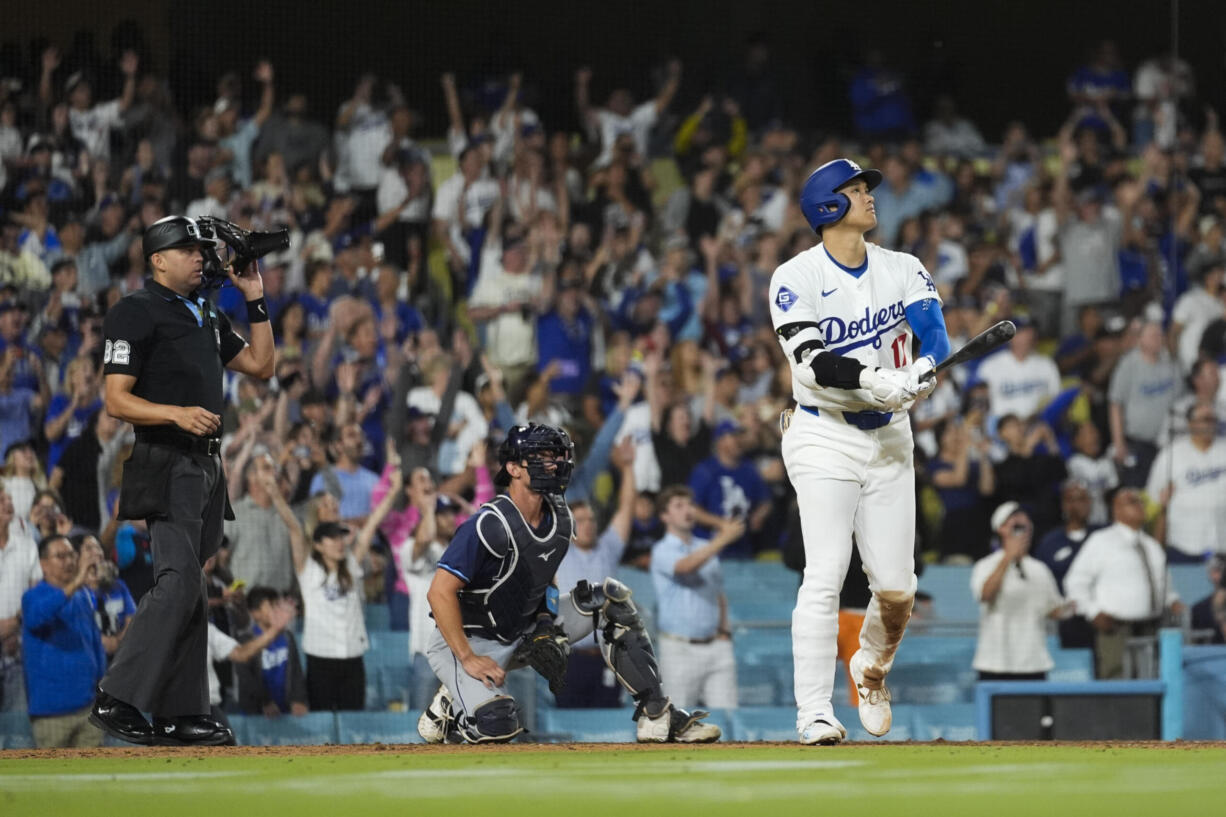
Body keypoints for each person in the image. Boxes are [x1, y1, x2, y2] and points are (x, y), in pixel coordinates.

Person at [769, 158, 951, 744]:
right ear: (828, 206)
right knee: (824, 573)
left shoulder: (903, 267)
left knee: (898, 589)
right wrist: (876, 379)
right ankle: (814, 713)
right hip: (824, 432)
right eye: (855, 188)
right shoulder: (793, 276)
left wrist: (920, 372)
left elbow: (937, 337)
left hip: (891, 434)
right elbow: (812, 361)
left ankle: (870, 668)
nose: (869, 195)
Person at [89, 214, 275, 747]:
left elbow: (263, 365)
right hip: (167, 457)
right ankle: (117, 695)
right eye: (188, 248)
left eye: (201, 249)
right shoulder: (135, 311)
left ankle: (181, 713)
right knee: (177, 581)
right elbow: (115, 398)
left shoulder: (207, 314)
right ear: (157, 259)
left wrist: (255, 296)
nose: (201, 256)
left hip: (207, 464)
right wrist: (176, 413)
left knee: (192, 585)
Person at [416, 423, 720, 744]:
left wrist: (546, 620)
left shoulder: (560, 517)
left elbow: (544, 576)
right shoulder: (490, 523)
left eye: (556, 456)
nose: (553, 464)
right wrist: (467, 657)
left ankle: (657, 713)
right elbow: (439, 593)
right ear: (513, 468)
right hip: (467, 641)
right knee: (497, 724)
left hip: (519, 630)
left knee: (608, 600)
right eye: (541, 457)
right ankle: (451, 709)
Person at [1064, 487, 1184, 679]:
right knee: (1118, 683)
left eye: (1140, 501)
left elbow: (1164, 585)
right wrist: (1092, 611)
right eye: (1132, 502)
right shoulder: (1102, 541)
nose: (1140, 506)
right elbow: (1075, 581)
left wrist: (1173, 601)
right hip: (1117, 629)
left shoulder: (1151, 545)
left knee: (1152, 679)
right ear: (1116, 510)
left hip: (1152, 627)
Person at [553, 438, 636, 707]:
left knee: (609, 720)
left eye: (591, 520)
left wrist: (627, 468)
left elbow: (626, 509)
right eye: (581, 521)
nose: (587, 525)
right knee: (568, 720)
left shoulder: (608, 547)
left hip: (608, 654)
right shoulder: (558, 551)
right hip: (570, 656)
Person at [650, 486, 742, 710]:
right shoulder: (661, 550)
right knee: (677, 716)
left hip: (715, 644)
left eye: (690, 504)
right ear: (664, 516)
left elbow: (718, 592)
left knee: (728, 715)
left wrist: (724, 631)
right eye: (678, 506)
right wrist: (722, 539)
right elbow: (685, 567)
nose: (687, 510)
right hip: (678, 646)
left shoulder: (704, 547)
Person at [21, 534, 105, 748]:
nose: (69, 561)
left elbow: (94, 643)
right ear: (44, 564)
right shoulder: (33, 597)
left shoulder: (83, 595)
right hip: (52, 715)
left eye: (71, 555)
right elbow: (36, 618)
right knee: (52, 781)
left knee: (94, 778)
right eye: (61, 556)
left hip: (88, 710)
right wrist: (76, 583)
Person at [970, 503, 1065, 681]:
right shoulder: (986, 565)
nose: (1021, 527)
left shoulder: (1040, 569)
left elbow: (1053, 609)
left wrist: (1069, 608)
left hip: (1033, 662)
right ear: (1000, 529)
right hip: (995, 663)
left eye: (1024, 524)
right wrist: (1008, 557)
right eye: (1014, 524)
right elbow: (985, 595)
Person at [1147, 404, 1226, 562]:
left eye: (1213, 419)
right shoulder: (1171, 454)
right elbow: (1156, 498)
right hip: (1183, 542)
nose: (1211, 424)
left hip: (1222, 542)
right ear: (1191, 423)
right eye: (1205, 419)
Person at [236, 587, 309, 717]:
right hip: (257, 714)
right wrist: (265, 702)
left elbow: (296, 671)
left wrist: (299, 699)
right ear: (255, 613)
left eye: (277, 604)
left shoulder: (287, 637)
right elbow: (247, 678)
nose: (276, 610)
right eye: (270, 605)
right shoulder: (245, 642)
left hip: (287, 710)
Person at [0, 484, 40, 713]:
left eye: (9, 498)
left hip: (19, 651)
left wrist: (14, 624)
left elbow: (35, 595)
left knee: (16, 735)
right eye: (1, 499)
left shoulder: (28, 547)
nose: (8, 502)